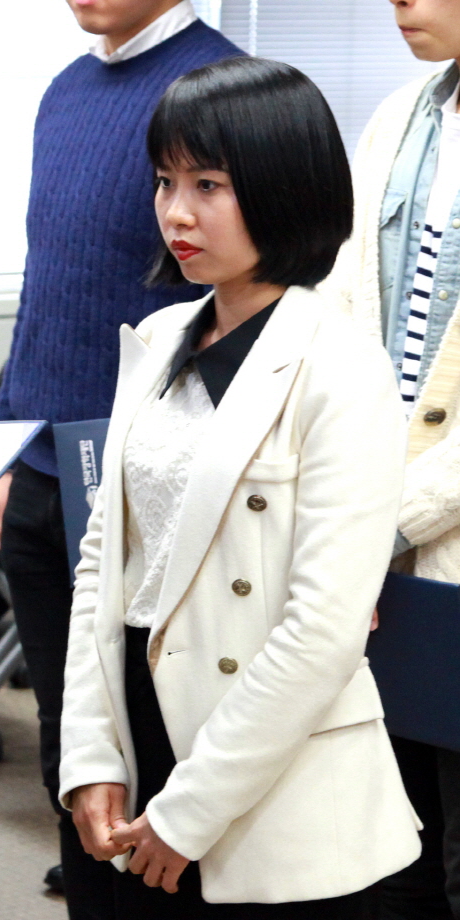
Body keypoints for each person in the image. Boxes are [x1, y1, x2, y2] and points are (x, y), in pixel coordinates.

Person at [59, 56, 421, 918]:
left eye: (208, 183)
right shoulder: (157, 338)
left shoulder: (341, 364)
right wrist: (90, 756)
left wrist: (191, 810)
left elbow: (322, 631)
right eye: (164, 180)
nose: (176, 212)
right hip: (145, 721)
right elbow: (102, 564)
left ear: (284, 187)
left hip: (268, 766)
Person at [0, 2, 240, 914]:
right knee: (72, 745)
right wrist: (6, 451)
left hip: (155, 483)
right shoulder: (65, 90)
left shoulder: (215, 87)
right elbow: (49, 286)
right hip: (48, 475)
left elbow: (235, 301)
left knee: (156, 751)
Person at [325, 1, 460, 916]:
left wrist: (388, 516)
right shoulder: (400, 113)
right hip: (373, 527)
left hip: (427, 529)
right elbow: (342, 309)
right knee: (381, 829)